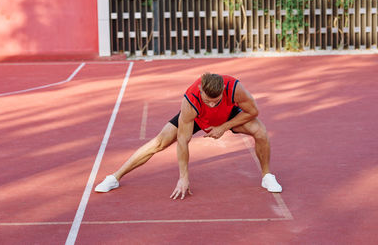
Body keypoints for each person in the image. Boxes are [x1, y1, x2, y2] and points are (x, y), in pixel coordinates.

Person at [95, 73, 282, 199]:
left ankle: (267, 175)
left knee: (261, 132)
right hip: (197, 118)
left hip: (228, 115)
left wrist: (224, 127)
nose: (210, 104)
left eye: (215, 101)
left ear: (223, 90)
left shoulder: (234, 88)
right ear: (200, 89)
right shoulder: (190, 101)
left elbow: (253, 111)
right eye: (207, 100)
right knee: (159, 142)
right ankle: (115, 177)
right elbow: (183, 141)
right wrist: (183, 177)